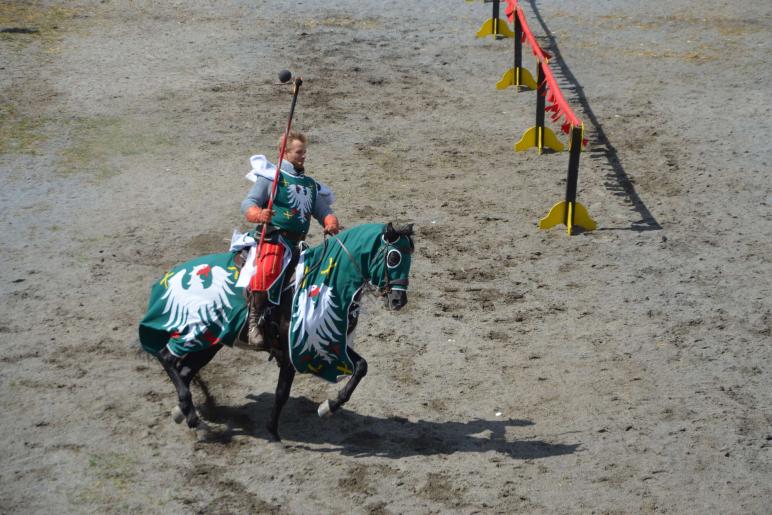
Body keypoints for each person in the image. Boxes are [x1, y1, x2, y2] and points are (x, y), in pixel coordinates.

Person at [241, 131, 340, 349]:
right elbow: (248, 203)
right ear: (284, 152)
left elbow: (322, 210)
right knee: (268, 267)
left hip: (297, 244)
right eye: (298, 152)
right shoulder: (272, 178)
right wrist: (258, 214)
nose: (303, 156)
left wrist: (330, 220)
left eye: (304, 152)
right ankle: (254, 322)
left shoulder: (310, 185)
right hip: (274, 240)